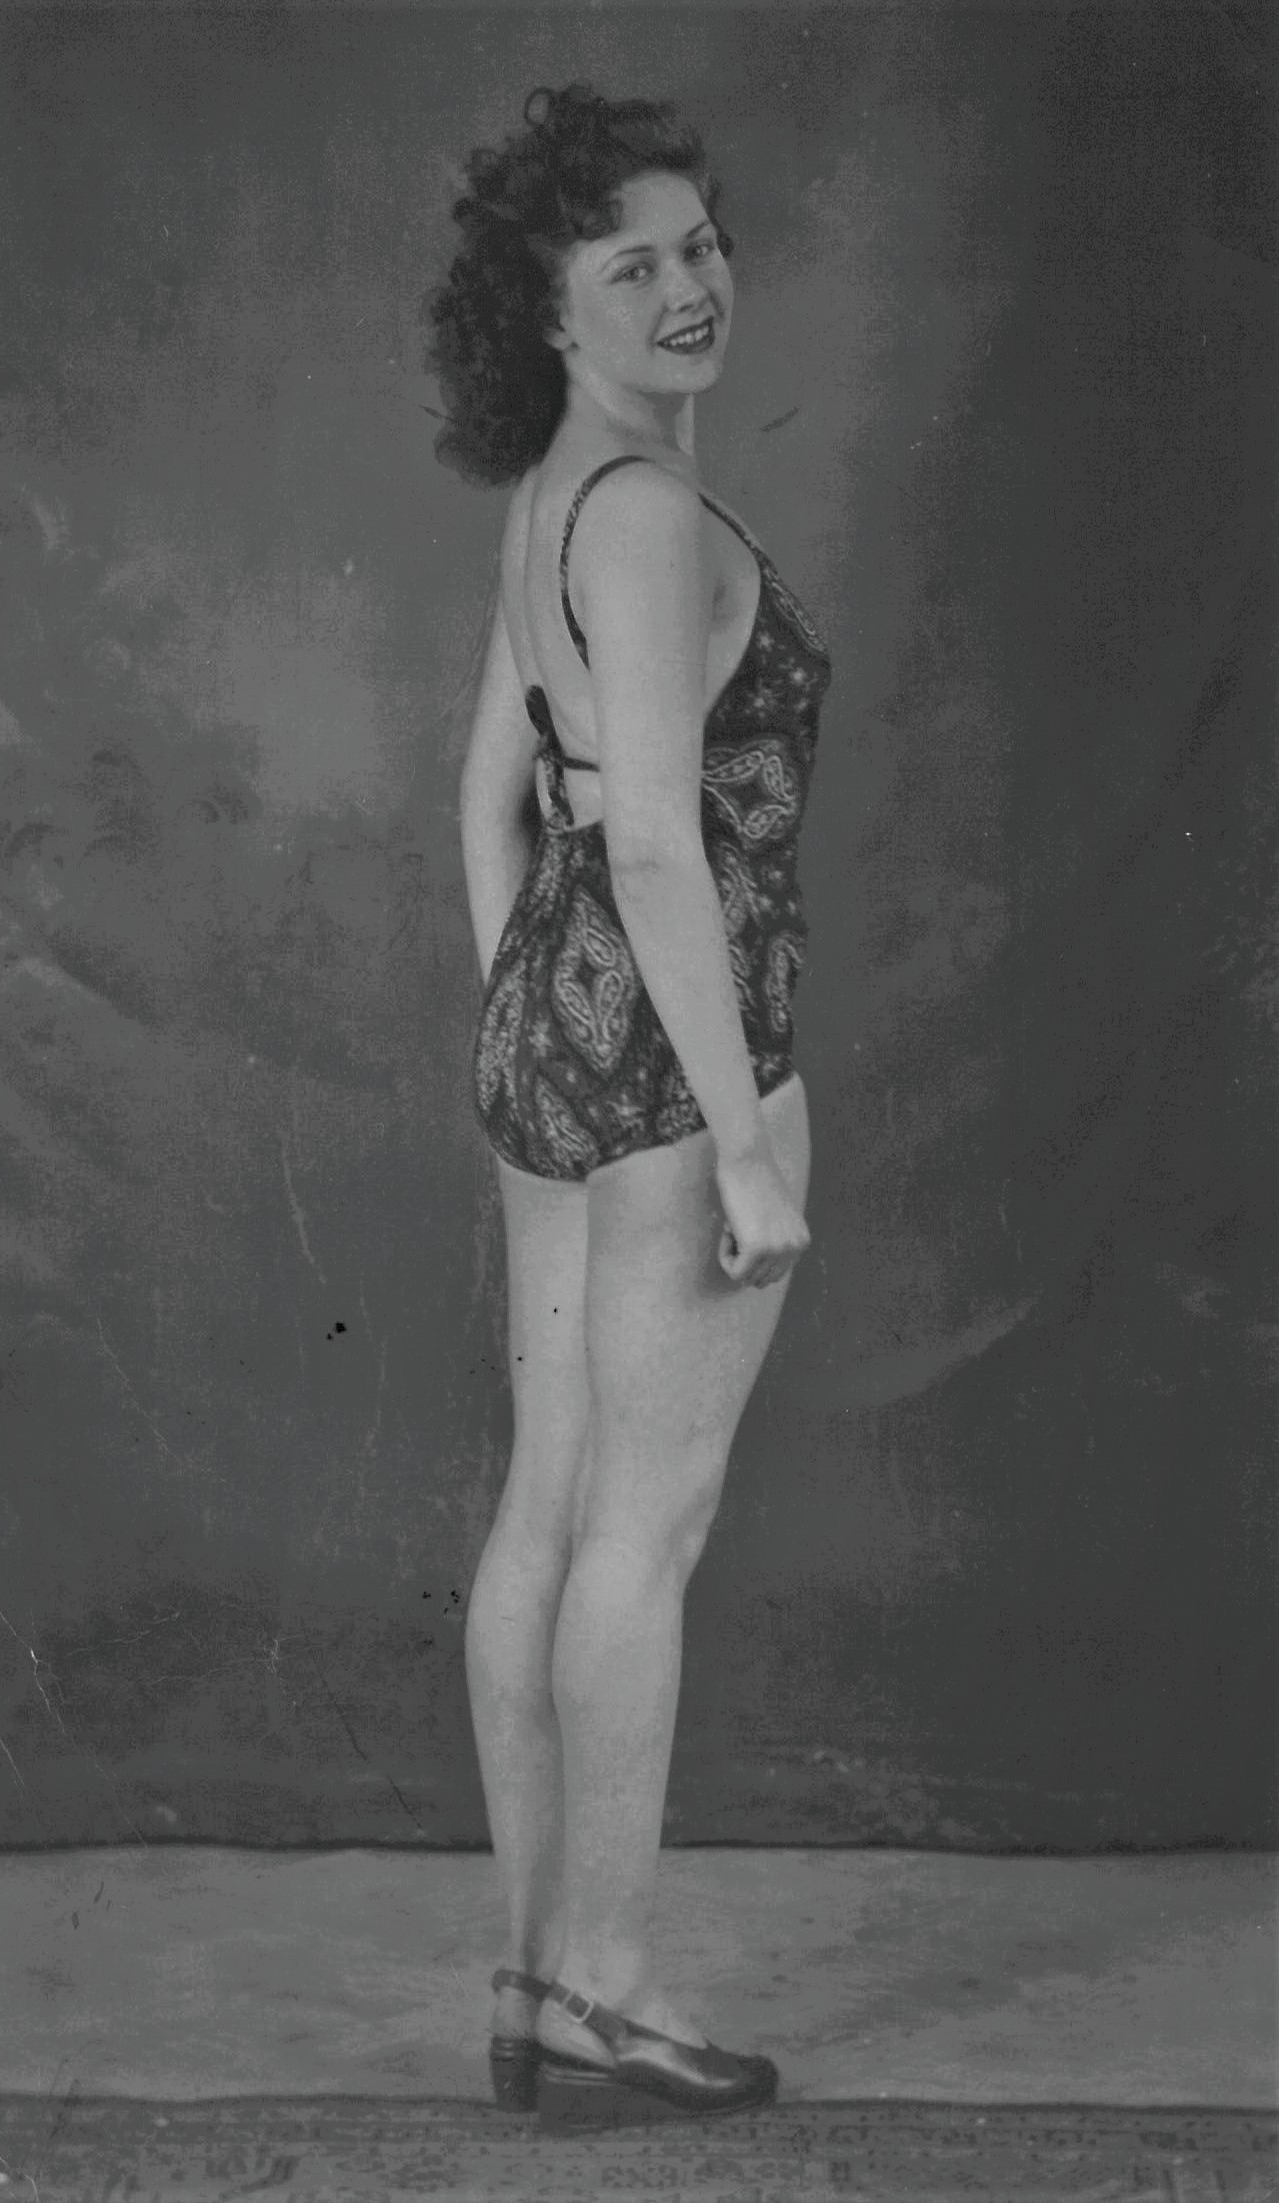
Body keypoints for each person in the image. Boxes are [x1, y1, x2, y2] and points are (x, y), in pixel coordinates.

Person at [423, 81, 831, 2130]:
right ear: (548, 307)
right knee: (638, 1535)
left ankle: (524, 1978)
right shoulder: (652, 515)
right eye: (632, 263)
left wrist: (527, 1002)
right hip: (682, 1040)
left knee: (550, 1498)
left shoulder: (552, 499)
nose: (690, 288)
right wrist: (744, 1144)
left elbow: (490, 796)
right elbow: (660, 841)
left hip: (553, 1024)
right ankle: (607, 1990)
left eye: (702, 246)